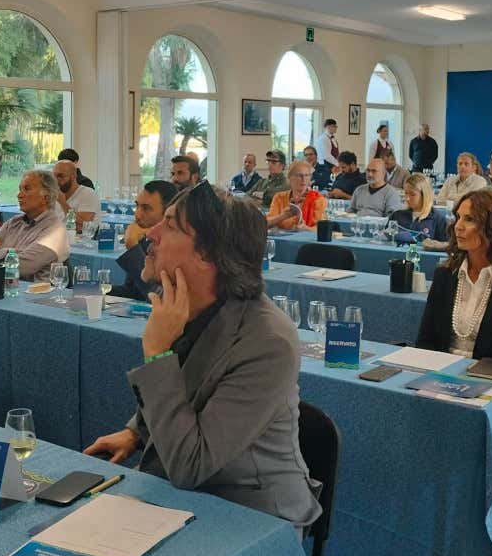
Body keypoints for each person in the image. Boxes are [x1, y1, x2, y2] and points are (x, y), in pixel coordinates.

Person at [83, 183, 322, 532]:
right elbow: (195, 383)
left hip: (252, 516)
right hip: (184, 494)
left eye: (171, 226)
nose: (152, 232)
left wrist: (157, 354)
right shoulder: (187, 299)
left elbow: (190, 465)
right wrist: (137, 431)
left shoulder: (269, 341)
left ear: (208, 255)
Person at [414, 190, 492, 360]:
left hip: (490, 376)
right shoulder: (445, 275)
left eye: (469, 219)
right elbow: (425, 342)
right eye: (458, 217)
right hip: (440, 373)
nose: (458, 226)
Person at [0, 170, 69, 278]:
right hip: (2, 286)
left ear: (45, 198)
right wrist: (13, 253)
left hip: (34, 292)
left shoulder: (55, 231)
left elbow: (22, 267)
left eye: (27, 189)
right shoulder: (13, 222)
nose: (19, 195)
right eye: (20, 189)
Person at [112, 180, 177, 301]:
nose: (137, 214)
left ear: (167, 213)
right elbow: (133, 291)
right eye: (137, 206)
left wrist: (132, 245)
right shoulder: (144, 239)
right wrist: (95, 289)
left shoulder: (176, 248)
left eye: (146, 208)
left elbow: (158, 295)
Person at [267, 161, 327, 230]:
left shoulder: (318, 199)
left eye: (306, 175)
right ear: (290, 177)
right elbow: (265, 223)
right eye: (299, 175)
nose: (303, 179)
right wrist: (283, 216)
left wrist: (306, 228)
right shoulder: (279, 197)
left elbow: (322, 228)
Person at [391, 173, 449, 243]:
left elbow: (446, 246)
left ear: (424, 195)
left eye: (413, 194)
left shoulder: (438, 219)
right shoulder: (397, 215)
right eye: (406, 193)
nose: (407, 198)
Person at [53, 159, 99, 229]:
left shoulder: (87, 194)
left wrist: (63, 203)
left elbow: (84, 226)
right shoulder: (54, 195)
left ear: (73, 176)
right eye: (54, 176)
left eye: (60, 176)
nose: (56, 180)